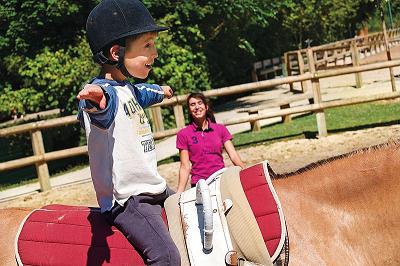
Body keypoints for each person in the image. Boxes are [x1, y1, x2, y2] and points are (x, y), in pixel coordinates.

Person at [77, 0, 180, 265]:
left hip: (155, 189)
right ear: (116, 53)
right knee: (167, 257)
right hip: (129, 200)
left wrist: (163, 91)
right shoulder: (105, 93)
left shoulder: (127, 89)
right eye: (147, 45)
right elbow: (104, 108)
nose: (154, 53)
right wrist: (96, 102)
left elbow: (144, 93)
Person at [176, 92, 245, 193]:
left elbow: (233, 155)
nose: (197, 107)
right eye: (192, 104)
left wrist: (245, 171)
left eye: (200, 103)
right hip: (199, 184)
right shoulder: (183, 134)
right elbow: (185, 166)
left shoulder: (220, 129)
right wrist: (179, 193)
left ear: (206, 107)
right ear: (189, 111)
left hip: (221, 180)